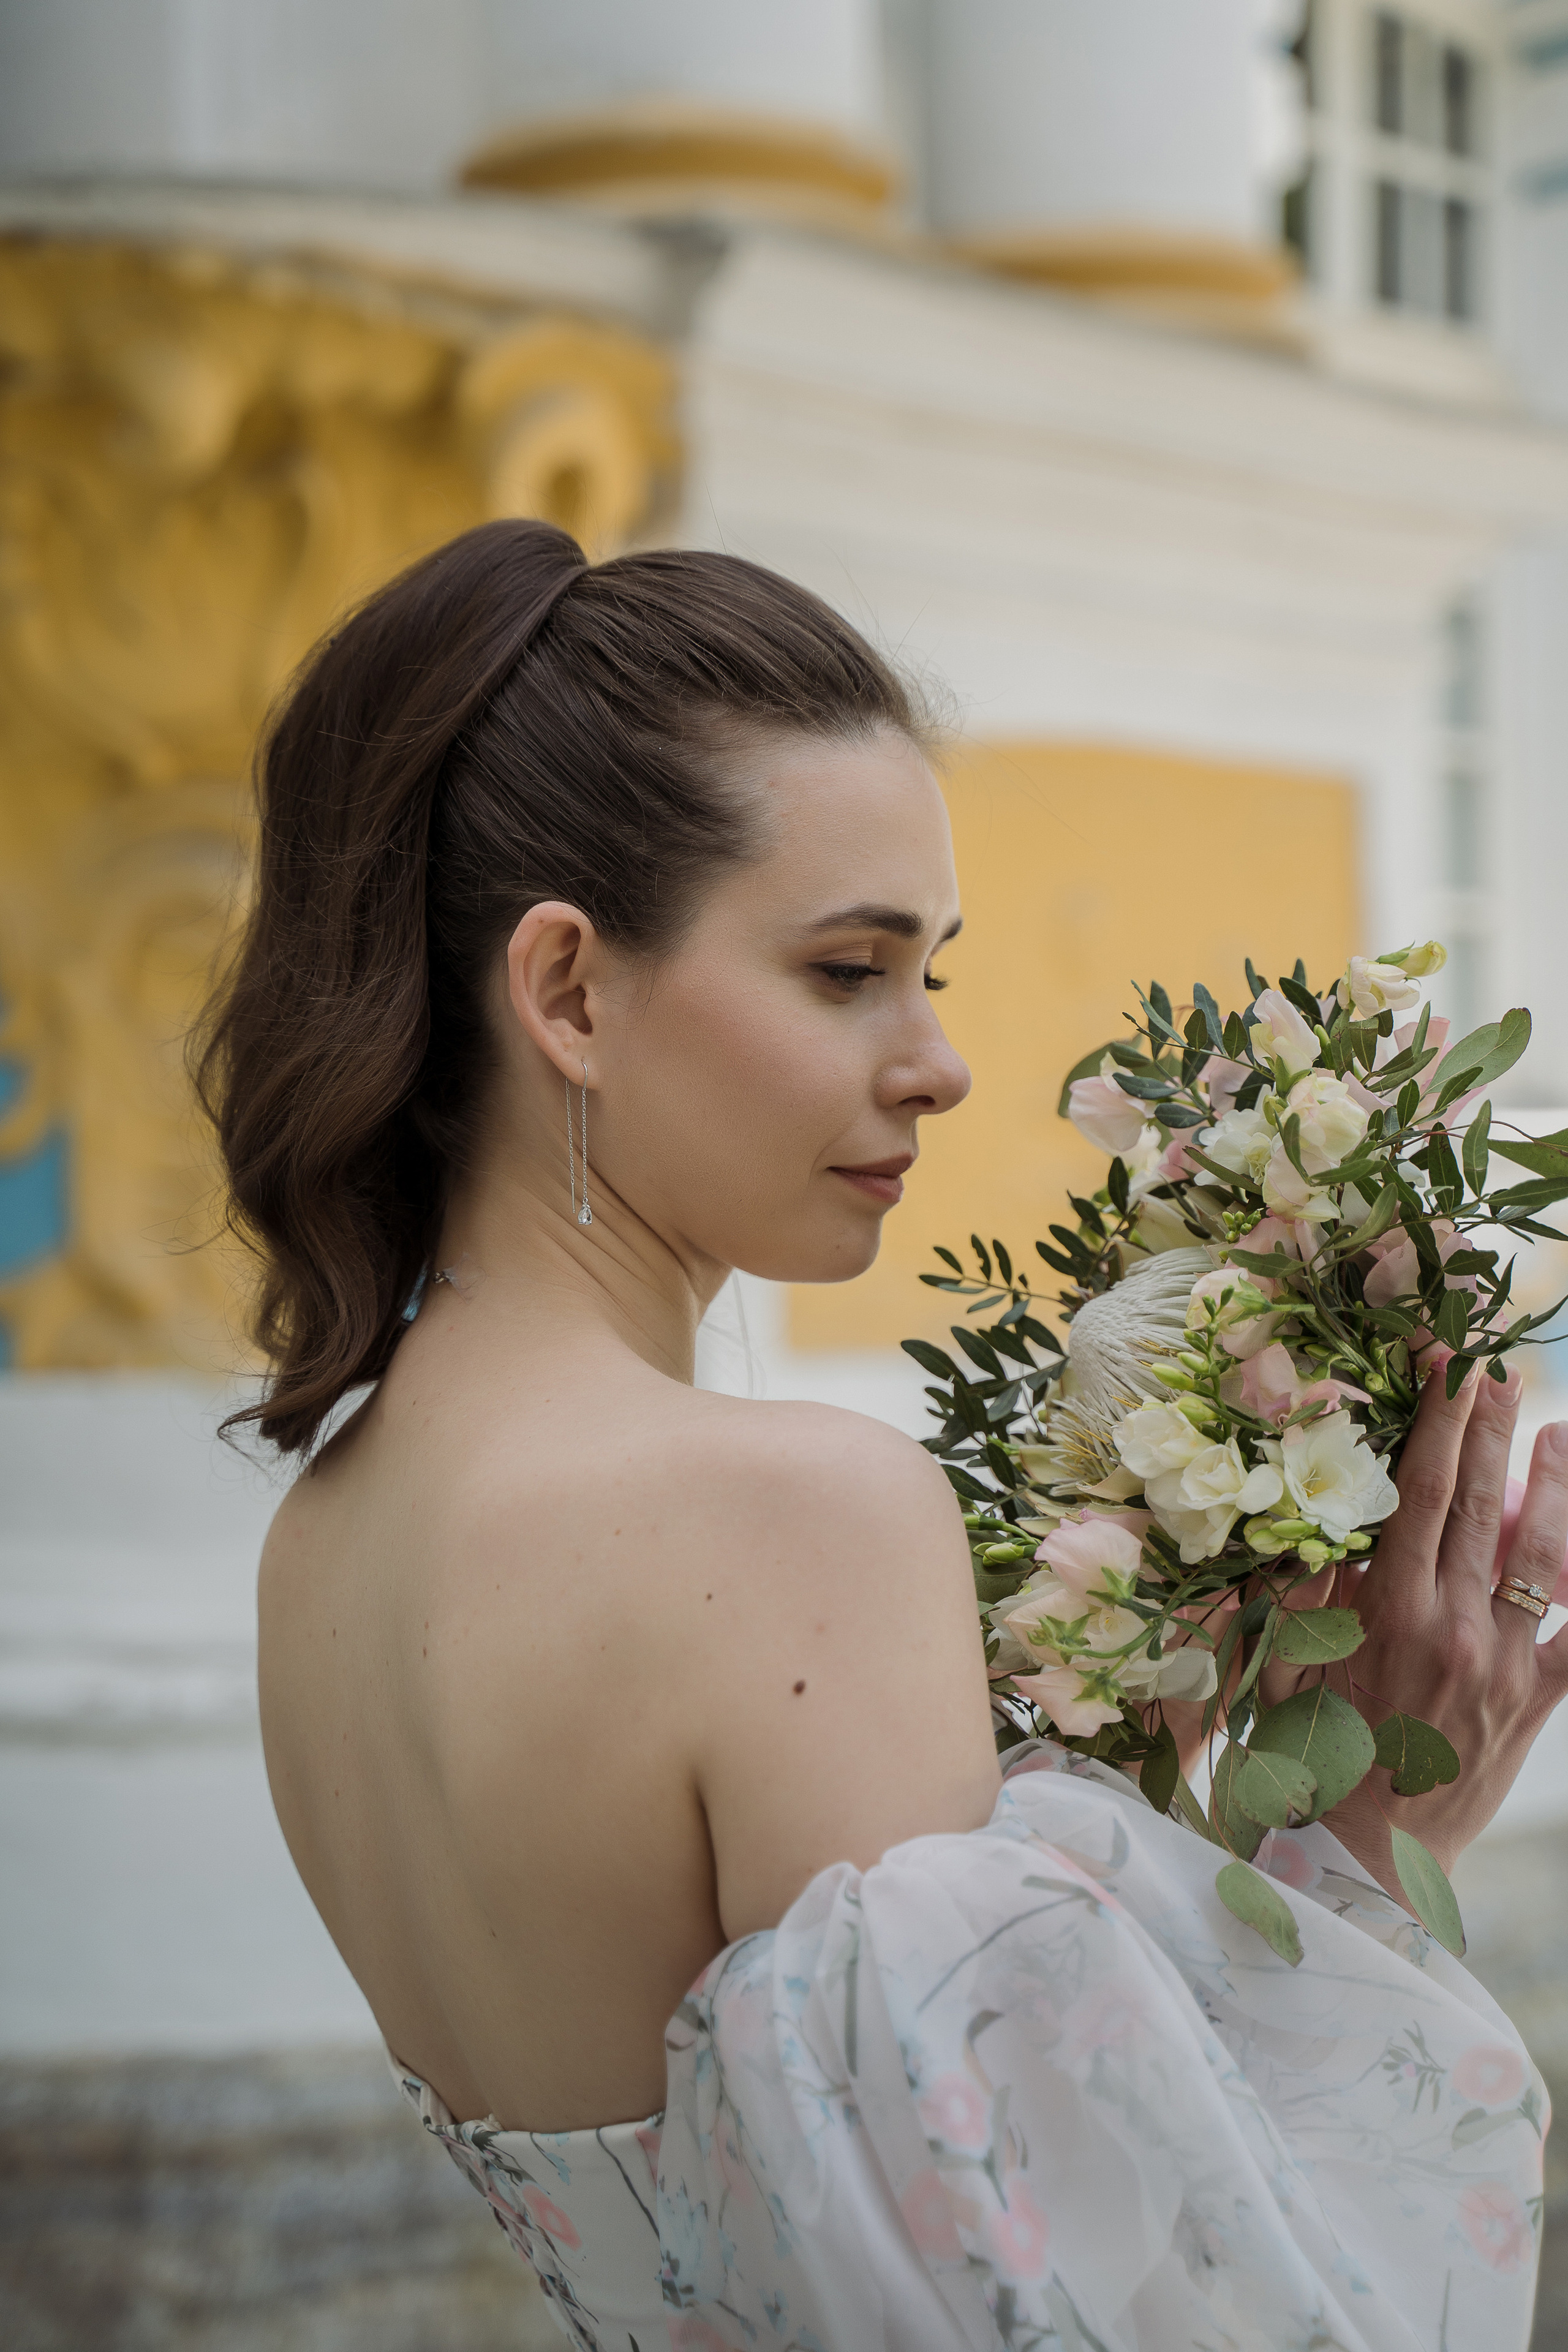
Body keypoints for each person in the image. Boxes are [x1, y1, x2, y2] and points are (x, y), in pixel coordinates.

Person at [199, 519, 1568, 2351]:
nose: (938, 1061)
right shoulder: (791, 1519)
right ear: (569, 993)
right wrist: (1375, 1858)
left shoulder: (326, 1548)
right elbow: (1075, 2316)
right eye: (849, 971)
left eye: (935, 971)